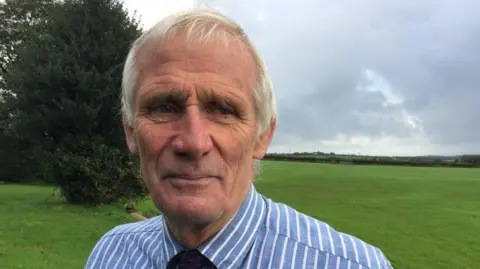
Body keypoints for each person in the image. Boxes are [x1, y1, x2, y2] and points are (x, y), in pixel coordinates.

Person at [84, 8, 393, 269]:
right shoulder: (111, 255)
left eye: (223, 110)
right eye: (165, 107)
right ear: (130, 131)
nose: (194, 142)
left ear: (263, 136)